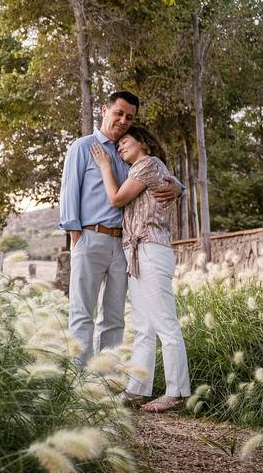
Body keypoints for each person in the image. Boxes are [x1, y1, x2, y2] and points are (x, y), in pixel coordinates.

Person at [59, 91, 179, 365]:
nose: (124, 120)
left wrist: (177, 188)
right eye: (119, 113)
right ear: (105, 110)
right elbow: (69, 195)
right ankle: (76, 381)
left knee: (113, 317)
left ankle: (105, 381)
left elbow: (157, 172)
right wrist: (77, 237)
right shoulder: (83, 147)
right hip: (91, 238)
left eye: (130, 117)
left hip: (124, 245)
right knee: (82, 314)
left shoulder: (130, 150)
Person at [91, 125, 190, 412]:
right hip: (136, 252)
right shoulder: (147, 167)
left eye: (125, 142)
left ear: (143, 142)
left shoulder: (148, 164)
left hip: (150, 250)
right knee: (143, 326)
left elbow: (116, 199)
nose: (120, 147)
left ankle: (177, 392)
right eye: (118, 144)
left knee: (164, 323)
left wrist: (104, 165)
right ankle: (137, 389)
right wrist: (179, 187)